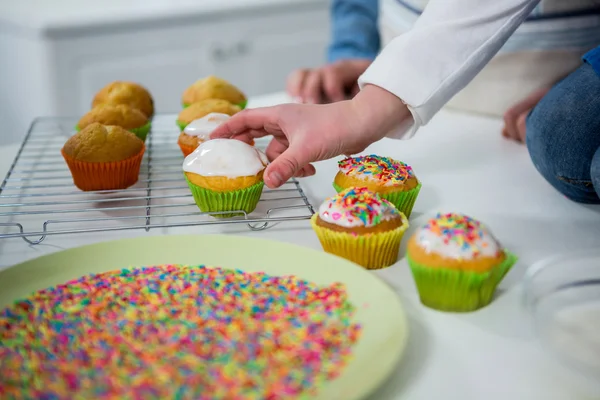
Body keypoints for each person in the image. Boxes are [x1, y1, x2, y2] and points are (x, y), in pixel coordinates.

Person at [211, 0, 600, 204]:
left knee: (568, 138)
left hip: (539, 75)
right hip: (397, 84)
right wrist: (359, 54)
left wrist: (589, 68)